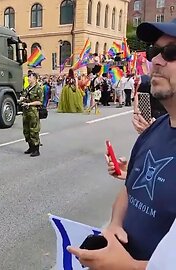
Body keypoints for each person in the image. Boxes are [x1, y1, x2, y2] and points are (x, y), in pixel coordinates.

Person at [67, 18, 176, 269]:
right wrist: (115, 224)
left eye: (170, 53)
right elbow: (129, 189)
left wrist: (129, 266)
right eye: (154, 51)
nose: (156, 61)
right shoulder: (153, 131)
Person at [20, 72, 43, 157]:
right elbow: (24, 96)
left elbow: (40, 102)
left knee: (34, 131)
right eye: (28, 77)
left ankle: (36, 149)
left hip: (33, 112)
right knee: (26, 130)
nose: (28, 78)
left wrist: (29, 104)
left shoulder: (38, 89)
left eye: (30, 77)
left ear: (35, 79)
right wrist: (22, 99)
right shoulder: (27, 88)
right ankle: (30, 147)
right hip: (26, 112)